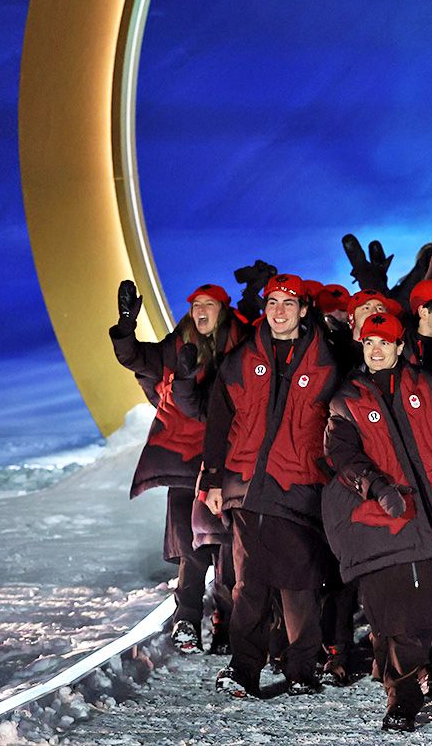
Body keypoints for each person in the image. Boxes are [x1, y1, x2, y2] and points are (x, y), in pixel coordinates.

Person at [322, 313, 432, 732]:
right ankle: (402, 696)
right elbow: (342, 456)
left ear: (401, 347)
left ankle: (430, 673)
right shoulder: (346, 400)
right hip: (385, 522)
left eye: (385, 342)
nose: (377, 349)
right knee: (396, 613)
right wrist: (375, 485)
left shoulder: (427, 384)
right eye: (369, 343)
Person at [202, 273, 339, 698]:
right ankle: (244, 669)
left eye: (288, 303)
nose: (278, 311)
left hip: (300, 487)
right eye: (272, 302)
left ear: (303, 310)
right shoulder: (242, 359)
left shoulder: (328, 361)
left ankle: (302, 668)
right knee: (251, 584)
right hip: (247, 485)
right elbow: (219, 421)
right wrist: (211, 480)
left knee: (299, 584)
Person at [111, 280, 245, 654]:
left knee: (226, 547)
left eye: (209, 305)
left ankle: (225, 623)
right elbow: (134, 357)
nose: (201, 311)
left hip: (228, 462)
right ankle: (186, 619)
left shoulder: (241, 345)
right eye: (196, 304)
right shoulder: (178, 344)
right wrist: (125, 326)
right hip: (185, 461)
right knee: (191, 547)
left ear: (223, 309)